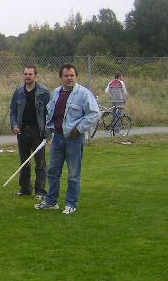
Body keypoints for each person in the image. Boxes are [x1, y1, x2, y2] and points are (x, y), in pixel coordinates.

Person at [35, 64, 100, 215]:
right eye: (66, 75)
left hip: (74, 139)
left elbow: (94, 113)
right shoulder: (56, 93)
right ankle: (52, 202)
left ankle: (72, 203)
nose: (69, 78)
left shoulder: (84, 94)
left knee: (73, 174)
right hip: (58, 138)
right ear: (61, 77)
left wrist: (79, 129)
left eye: (72, 75)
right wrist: (49, 130)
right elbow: (50, 113)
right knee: (53, 172)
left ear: (76, 77)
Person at [9, 65, 50, 199]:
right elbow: (13, 111)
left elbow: (49, 113)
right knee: (24, 162)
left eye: (30, 74)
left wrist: (47, 131)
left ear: (35, 76)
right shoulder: (18, 92)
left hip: (37, 131)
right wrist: (14, 125)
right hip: (22, 131)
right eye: (25, 74)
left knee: (40, 162)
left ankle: (40, 191)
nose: (27, 76)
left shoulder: (44, 92)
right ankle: (25, 189)